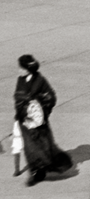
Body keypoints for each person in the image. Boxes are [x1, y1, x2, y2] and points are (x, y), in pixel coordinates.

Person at [11, 55, 71, 186]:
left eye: (21, 68)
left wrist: (40, 109)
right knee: (30, 148)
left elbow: (51, 96)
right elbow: (18, 97)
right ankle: (37, 172)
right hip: (25, 121)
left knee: (44, 145)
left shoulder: (40, 80)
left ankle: (53, 165)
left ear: (28, 69)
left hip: (38, 121)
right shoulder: (20, 80)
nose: (19, 70)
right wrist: (22, 112)